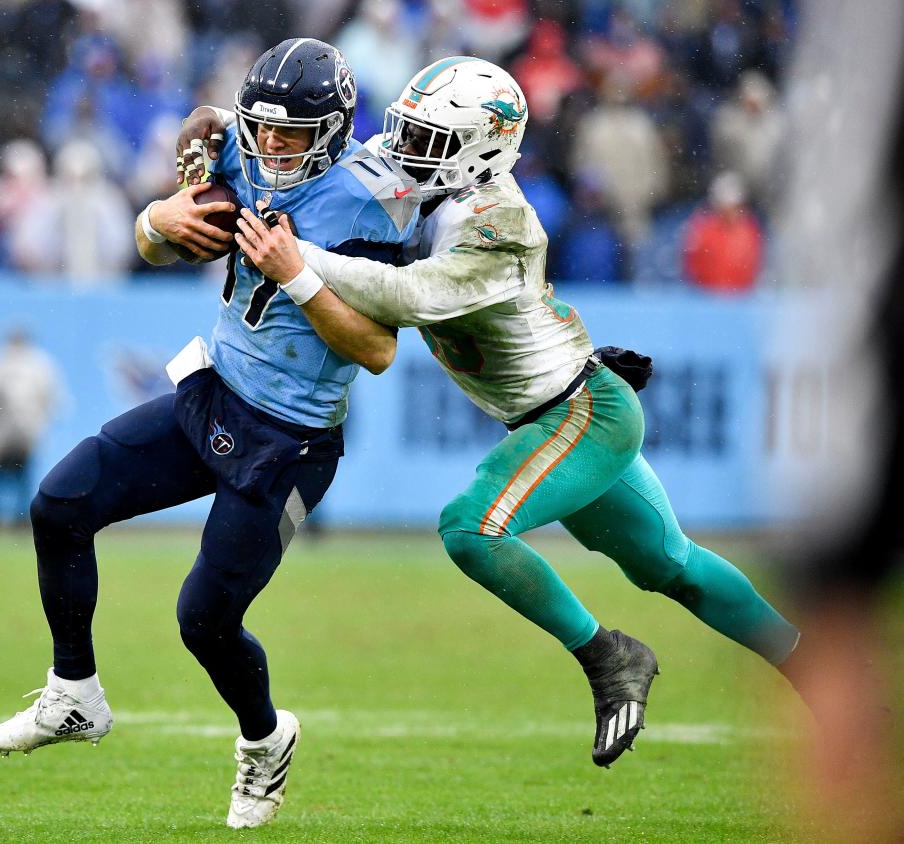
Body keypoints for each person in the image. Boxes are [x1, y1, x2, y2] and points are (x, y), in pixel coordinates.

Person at [178, 56, 803, 770]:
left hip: (580, 416)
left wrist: (297, 259)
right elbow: (219, 124)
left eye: (429, 140)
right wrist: (204, 146)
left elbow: (407, 298)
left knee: (471, 527)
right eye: (404, 129)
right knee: (674, 566)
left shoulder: (499, 219)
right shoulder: (416, 167)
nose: (404, 150)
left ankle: (609, 658)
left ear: (482, 149)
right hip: (559, 413)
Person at [0, 38, 419, 831]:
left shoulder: (367, 201)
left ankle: (265, 739)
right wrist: (160, 213)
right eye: (264, 130)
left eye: (292, 134)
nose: (272, 147)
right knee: (59, 504)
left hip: (292, 441)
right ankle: (73, 693)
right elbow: (187, 163)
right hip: (212, 393)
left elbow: (378, 351)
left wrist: (297, 274)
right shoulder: (236, 152)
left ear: (335, 128)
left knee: (203, 621)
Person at [0, 328, 64, 526]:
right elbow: (54, 402)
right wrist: (38, 426)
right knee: (22, 485)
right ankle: (23, 524)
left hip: (1, 436)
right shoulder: (40, 365)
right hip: (26, 435)